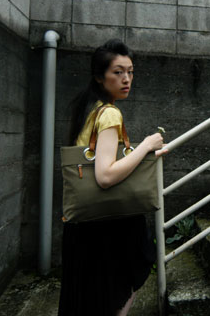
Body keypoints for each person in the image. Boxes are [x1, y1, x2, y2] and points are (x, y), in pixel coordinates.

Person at [58, 38, 166, 316]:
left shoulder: (89, 108)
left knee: (92, 300)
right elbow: (105, 176)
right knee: (123, 284)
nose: (126, 79)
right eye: (118, 72)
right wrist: (146, 145)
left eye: (130, 72)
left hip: (87, 223)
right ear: (99, 76)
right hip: (106, 226)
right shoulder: (109, 115)